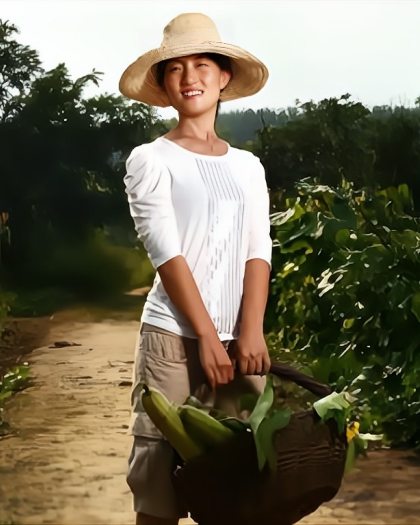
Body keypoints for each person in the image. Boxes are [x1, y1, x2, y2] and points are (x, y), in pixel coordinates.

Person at [116, 12, 274, 525]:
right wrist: (205, 336)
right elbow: (166, 252)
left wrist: (249, 329)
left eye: (202, 64)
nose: (190, 77)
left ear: (223, 76)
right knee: (160, 496)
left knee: (240, 493)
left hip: (237, 343)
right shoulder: (150, 159)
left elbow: (258, 249)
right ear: (163, 84)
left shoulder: (247, 165)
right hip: (172, 340)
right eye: (176, 68)